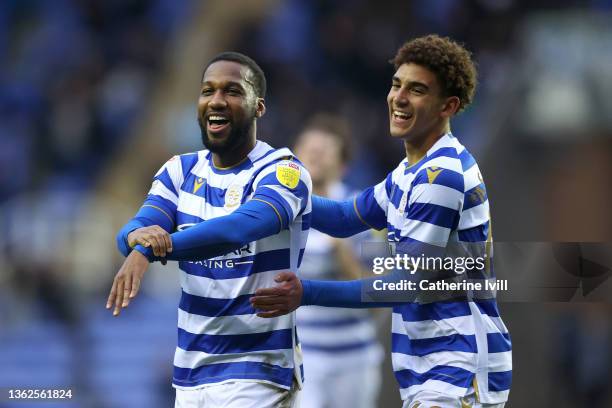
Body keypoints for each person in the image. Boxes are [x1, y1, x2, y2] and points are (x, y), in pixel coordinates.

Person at [251, 35, 512, 408]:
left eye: (417, 90)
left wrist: (306, 292)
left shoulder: (442, 177)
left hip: (459, 360)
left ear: (448, 106)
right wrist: (280, 192)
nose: (399, 98)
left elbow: (403, 285)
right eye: (396, 84)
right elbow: (345, 216)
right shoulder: (409, 171)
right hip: (430, 362)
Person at [107, 52, 312, 408]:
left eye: (232, 91)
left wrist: (155, 248)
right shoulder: (179, 170)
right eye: (208, 91)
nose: (216, 100)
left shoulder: (283, 170)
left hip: (257, 369)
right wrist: (135, 241)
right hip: (191, 374)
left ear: (258, 107)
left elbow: (239, 229)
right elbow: (139, 226)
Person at [292, 114, 383, 408]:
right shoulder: (277, 214)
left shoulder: (363, 214)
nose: (315, 156)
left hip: (354, 356)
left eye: (324, 150)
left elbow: (382, 293)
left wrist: (342, 251)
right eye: (309, 149)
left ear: (342, 166)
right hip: (302, 357)